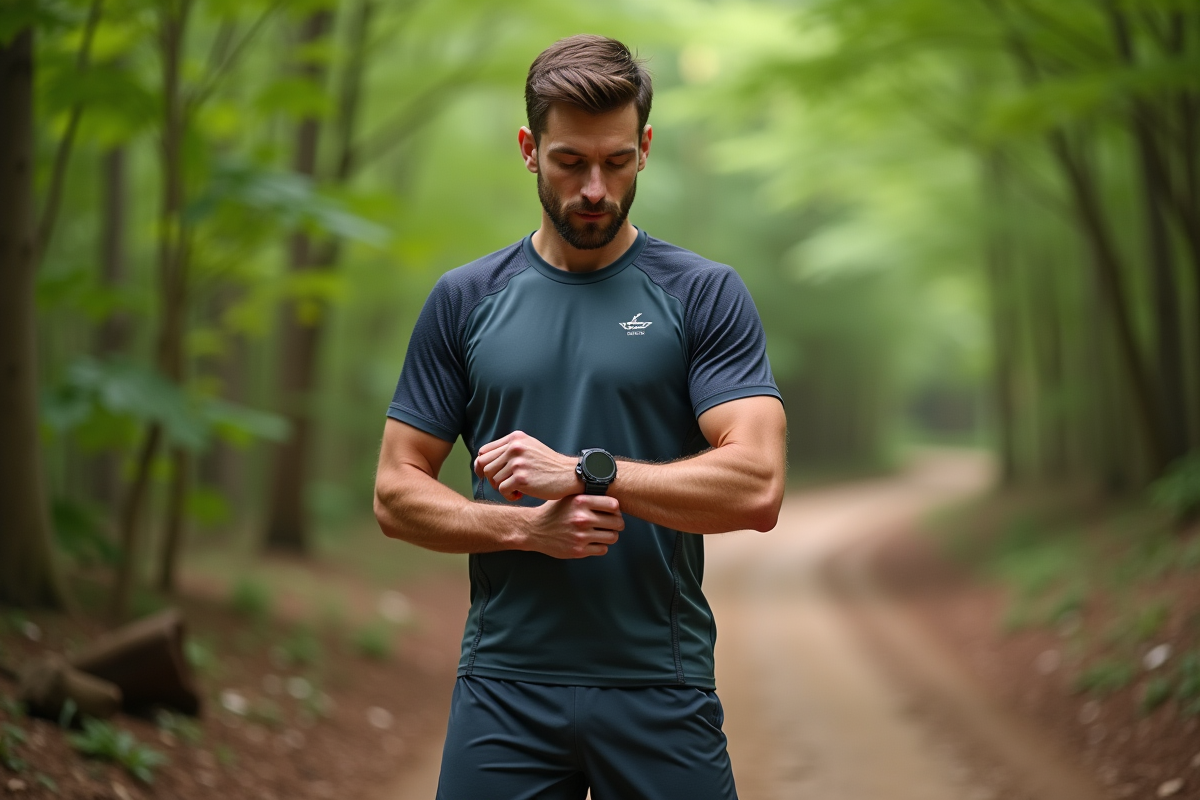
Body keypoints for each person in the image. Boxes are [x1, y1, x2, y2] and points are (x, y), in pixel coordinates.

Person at [373, 33, 787, 800]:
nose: (594, 187)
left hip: (659, 684)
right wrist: (521, 528)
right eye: (571, 162)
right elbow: (395, 493)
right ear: (530, 149)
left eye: (617, 161)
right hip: (504, 687)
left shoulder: (704, 295)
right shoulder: (464, 300)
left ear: (646, 147)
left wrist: (584, 473)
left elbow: (757, 486)